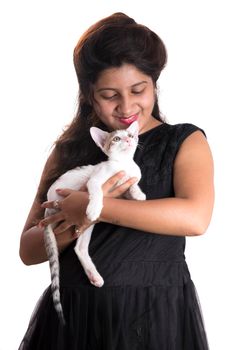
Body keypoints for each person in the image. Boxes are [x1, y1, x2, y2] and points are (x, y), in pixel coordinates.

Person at [19, 12, 214, 350]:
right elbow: (29, 249)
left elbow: (195, 217)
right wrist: (74, 218)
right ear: (89, 95)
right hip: (76, 320)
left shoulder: (184, 141)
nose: (126, 106)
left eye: (138, 90)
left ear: (154, 83)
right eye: (109, 95)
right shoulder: (68, 152)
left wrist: (95, 207)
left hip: (155, 315)